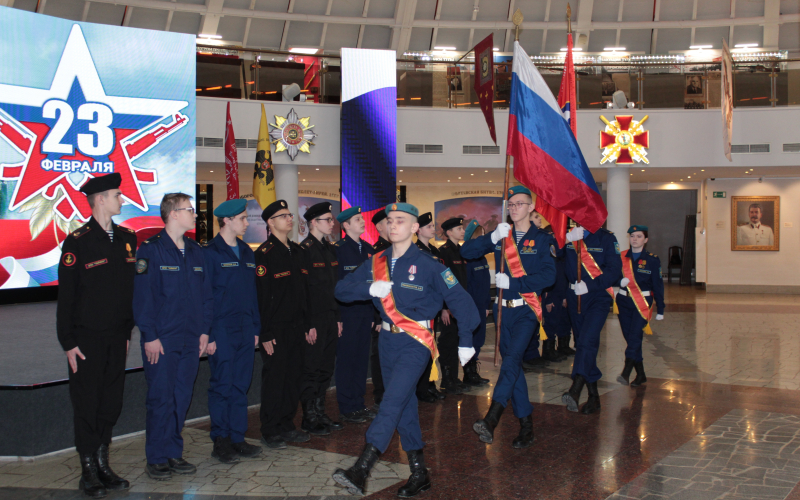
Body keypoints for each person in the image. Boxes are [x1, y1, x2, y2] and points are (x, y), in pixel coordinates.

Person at [333, 203, 479, 498]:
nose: (393, 224)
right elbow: (340, 290)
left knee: (391, 401)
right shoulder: (376, 262)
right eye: (389, 220)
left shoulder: (431, 264)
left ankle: (362, 467)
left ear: (414, 228)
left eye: (400, 220)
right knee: (404, 407)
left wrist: (465, 341)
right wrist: (368, 289)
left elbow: (465, 306)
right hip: (387, 342)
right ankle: (420, 473)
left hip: (416, 342)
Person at [57, 173, 136, 497]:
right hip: (86, 339)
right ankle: (88, 468)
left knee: (110, 403)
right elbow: (67, 296)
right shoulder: (78, 240)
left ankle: (103, 462)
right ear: (100, 198)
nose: (122, 199)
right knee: (87, 403)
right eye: (117, 194)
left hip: (118, 337)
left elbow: (128, 290)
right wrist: (68, 342)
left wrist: (128, 329)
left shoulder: (128, 238)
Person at [462, 186, 556, 449]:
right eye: (510, 205)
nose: (513, 208)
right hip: (503, 312)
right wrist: (491, 238)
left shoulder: (542, 239)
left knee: (512, 360)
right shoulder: (503, 235)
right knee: (513, 370)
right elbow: (466, 253)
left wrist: (514, 283)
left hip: (526, 309)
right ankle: (526, 425)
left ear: (530, 207)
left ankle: (493, 417)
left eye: (519, 204)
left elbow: (549, 276)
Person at [134, 193, 213, 480]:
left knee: (181, 397)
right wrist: (150, 335)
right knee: (160, 398)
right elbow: (143, 299)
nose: (195, 214)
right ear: (173, 214)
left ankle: (173, 452)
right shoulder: (151, 250)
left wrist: (205, 330)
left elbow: (206, 296)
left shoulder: (195, 250)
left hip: (191, 338)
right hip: (163, 339)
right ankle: (156, 456)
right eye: (190, 210)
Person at [203, 199, 262, 464]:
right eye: (242, 218)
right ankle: (221, 440)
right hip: (222, 329)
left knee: (240, 384)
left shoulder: (247, 252)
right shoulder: (210, 253)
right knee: (222, 385)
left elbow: (252, 295)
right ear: (226, 220)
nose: (247, 222)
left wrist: (256, 328)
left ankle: (237, 437)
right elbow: (205, 298)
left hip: (245, 327)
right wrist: (210, 334)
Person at [255, 200, 313, 449]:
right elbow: (261, 297)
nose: (289, 219)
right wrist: (265, 332)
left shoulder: (298, 252)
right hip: (276, 329)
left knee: (293, 377)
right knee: (275, 378)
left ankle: (287, 424)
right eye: (283, 216)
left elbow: (305, 293)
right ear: (270, 222)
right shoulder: (264, 254)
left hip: (297, 326)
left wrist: (309, 323)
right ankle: (270, 428)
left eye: (290, 215)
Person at [559, 223, 622, 415]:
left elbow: (614, 270)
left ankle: (576, 388)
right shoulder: (569, 235)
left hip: (597, 296)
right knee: (584, 344)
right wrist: (566, 240)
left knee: (587, 340)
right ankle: (594, 397)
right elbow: (552, 254)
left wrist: (591, 285)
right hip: (573, 296)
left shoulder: (606, 237)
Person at [299, 202, 344, 435]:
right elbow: (304, 292)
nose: (332, 223)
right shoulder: (304, 250)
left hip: (329, 317)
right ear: (313, 222)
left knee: (326, 368)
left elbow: (333, 288)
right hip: (314, 320)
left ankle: (320, 411)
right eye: (327, 219)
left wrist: (337, 317)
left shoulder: (330, 249)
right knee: (312, 368)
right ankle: (309, 416)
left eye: (331, 219)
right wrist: (308, 325)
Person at [334, 206, 378, 423]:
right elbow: (336, 287)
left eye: (362, 218)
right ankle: (347, 405)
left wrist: (374, 316)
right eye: (357, 219)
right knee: (347, 360)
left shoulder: (369, 250)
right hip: (348, 313)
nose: (362, 222)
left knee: (361, 360)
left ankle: (358, 403)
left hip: (365, 313)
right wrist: (338, 317)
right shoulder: (339, 250)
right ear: (346, 225)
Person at [616, 225, 665, 387]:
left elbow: (658, 285)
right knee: (630, 339)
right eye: (632, 236)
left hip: (642, 303)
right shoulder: (621, 257)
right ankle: (641, 374)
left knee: (635, 336)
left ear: (646, 240)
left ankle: (626, 371)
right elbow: (611, 276)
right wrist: (618, 282)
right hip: (623, 303)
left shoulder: (652, 259)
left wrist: (661, 307)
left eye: (638, 236)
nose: (635, 239)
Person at [413, 212, 448, 403]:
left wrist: (443, 306)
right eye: (429, 226)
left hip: (433, 307)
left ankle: (429, 384)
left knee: (431, 347)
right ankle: (420, 387)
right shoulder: (414, 251)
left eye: (433, 225)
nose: (433, 229)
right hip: (421, 308)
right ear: (418, 230)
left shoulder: (435, 252)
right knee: (421, 348)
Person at [438, 216, 471, 394]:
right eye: (459, 229)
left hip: (460, 305)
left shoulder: (461, 251)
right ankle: (446, 379)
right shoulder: (444, 252)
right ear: (449, 232)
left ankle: (455, 378)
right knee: (448, 342)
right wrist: (444, 307)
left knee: (457, 341)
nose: (462, 231)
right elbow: (444, 281)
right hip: (449, 307)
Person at [462, 220, 491, 386]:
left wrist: (486, 304)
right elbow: (466, 285)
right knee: (470, 340)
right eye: (481, 234)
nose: (483, 237)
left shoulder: (482, 258)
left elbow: (485, 284)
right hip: (470, 306)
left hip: (481, 305)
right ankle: (468, 373)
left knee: (479, 340)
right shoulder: (468, 257)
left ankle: (473, 371)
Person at [369, 209, 391, 408]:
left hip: (396, 314)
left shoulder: (396, 248)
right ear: (379, 227)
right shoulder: (378, 251)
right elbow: (376, 286)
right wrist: (377, 317)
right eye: (388, 221)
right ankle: (380, 393)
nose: (392, 224)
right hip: (382, 314)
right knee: (379, 355)